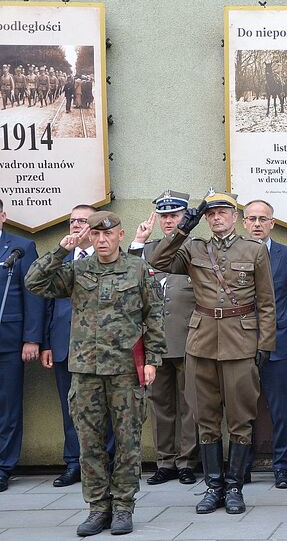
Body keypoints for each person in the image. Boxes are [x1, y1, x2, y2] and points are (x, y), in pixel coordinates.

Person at [25, 211, 164, 536]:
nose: (102, 240)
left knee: (128, 441)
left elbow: (154, 314)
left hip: (125, 372)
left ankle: (123, 507)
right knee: (89, 444)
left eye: (108, 234)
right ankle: (98, 508)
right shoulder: (77, 269)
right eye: (96, 234)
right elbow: (34, 282)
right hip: (86, 371)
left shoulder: (137, 268)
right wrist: (62, 248)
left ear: (120, 235)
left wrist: (152, 360)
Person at [149, 190, 276, 515]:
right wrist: (183, 229)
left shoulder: (254, 250)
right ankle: (213, 486)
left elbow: (266, 302)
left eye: (223, 212)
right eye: (211, 214)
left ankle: (234, 487)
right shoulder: (193, 248)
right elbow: (157, 261)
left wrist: (265, 343)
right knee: (206, 418)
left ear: (235, 216)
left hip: (240, 343)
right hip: (202, 343)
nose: (217, 218)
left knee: (240, 419)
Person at [40, 204, 114, 488]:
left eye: (83, 221)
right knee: (71, 406)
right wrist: (46, 343)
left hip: (101, 348)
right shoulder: (61, 260)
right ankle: (74, 462)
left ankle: (105, 461)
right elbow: (46, 303)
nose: (76, 225)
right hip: (64, 345)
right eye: (72, 220)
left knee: (104, 407)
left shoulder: (107, 257)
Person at [128, 191, 199, 486]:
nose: (169, 221)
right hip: (155, 343)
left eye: (175, 215)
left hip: (189, 339)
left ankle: (187, 462)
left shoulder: (197, 248)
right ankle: (165, 461)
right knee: (160, 405)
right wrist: (138, 242)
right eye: (164, 216)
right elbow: (128, 278)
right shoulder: (148, 250)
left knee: (190, 404)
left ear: (185, 217)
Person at [241, 199, 287, 489]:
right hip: (239, 344)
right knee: (242, 409)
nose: (257, 224)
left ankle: (281, 467)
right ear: (244, 223)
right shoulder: (235, 253)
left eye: (262, 219)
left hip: (278, 344)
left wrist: (278, 328)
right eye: (252, 219)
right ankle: (242, 466)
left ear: (272, 223)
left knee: (280, 410)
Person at [0, 198, 44, 494]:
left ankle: (3, 466)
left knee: (7, 405)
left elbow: (33, 293)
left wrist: (32, 338)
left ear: (3, 216)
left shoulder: (21, 247)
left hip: (9, 339)